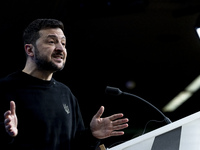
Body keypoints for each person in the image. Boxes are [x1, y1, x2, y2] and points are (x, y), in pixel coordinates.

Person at [0, 18, 129, 150]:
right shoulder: (5, 88)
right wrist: (7, 135)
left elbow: (75, 145)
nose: (60, 48)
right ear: (29, 50)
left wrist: (92, 136)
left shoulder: (65, 93)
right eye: (51, 42)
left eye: (63, 43)